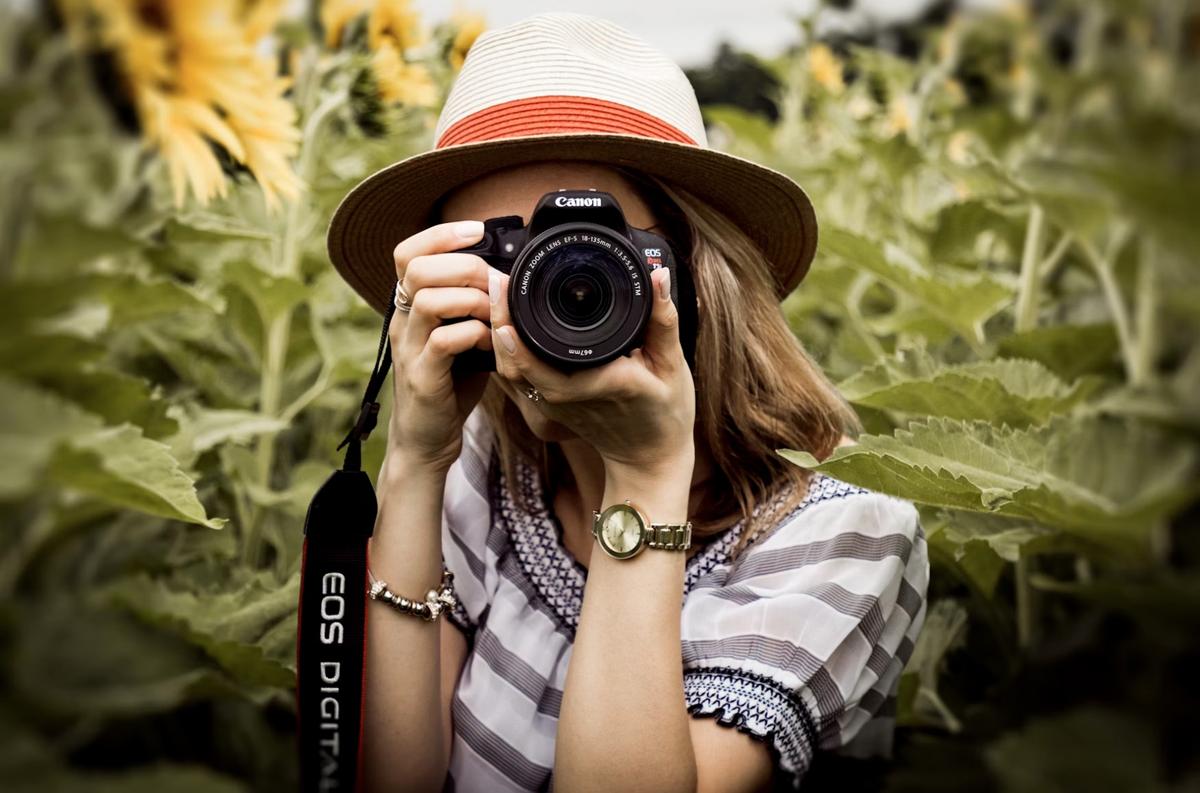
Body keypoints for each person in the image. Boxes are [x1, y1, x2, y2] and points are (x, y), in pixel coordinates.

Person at [324, 12, 929, 793]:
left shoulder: (848, 538)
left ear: (696, 271)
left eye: (587, 249)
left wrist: (645, 472)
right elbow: (390, 781)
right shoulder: (485, 463)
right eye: (505, 254)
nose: (547, 292)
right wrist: (413, 457)